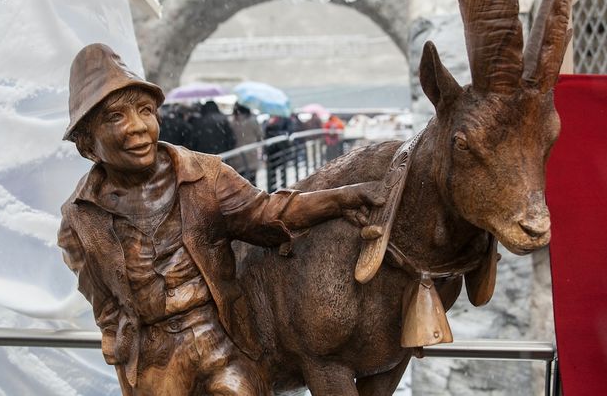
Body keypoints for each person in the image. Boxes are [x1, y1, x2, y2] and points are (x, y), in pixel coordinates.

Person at [57, 44, 385, 396]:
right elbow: (103, 300)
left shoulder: (206, 177)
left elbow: (268, 212)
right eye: (115, 117)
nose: (137, 127)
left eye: (145, 110)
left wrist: (339, 198)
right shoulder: (78, 222)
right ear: (87, 144)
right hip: (154, 354)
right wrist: (120, 342)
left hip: (222, 338)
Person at [228, 103, 263, 185]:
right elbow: (260, 136)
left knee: (239, 184)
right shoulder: (253, 121)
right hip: (251, 155)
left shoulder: (231, 122)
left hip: (236, 157)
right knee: (252, 182)